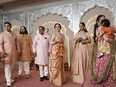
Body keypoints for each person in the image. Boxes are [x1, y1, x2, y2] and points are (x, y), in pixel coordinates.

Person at [82, 19, 116, 87]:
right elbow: (111, 40)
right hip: (107, 51)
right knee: (106, 66)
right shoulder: (111, 32)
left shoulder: (104, 31)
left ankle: (102, 82)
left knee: (102, 66)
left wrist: (100, 36)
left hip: (104, 51)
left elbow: (105, 39)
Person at [0, 22, 20, 87]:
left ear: (11, 26)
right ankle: (8, 82)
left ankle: (10, 78)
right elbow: (0, 44)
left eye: (8, 26)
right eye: (5, 26)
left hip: (13, 52)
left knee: (11, 66)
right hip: (6, 53)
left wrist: (18, 50)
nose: (6, 27)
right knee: (7, 67)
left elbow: (17, 43)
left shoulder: (14, 34)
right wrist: (2, 51)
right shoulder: (2, 34)